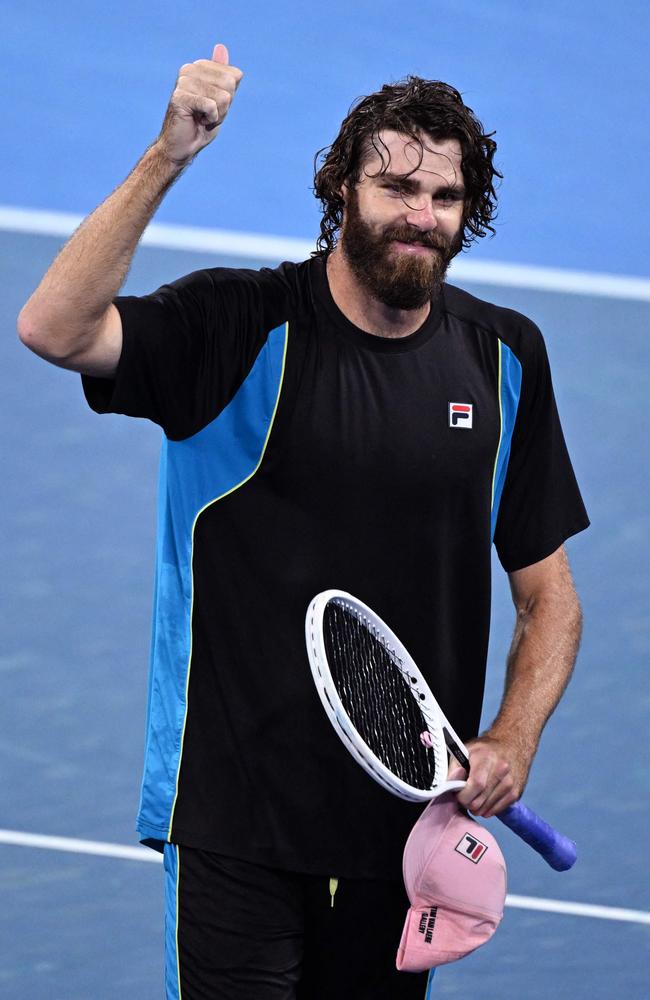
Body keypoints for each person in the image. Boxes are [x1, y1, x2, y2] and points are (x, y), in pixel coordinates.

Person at [18, 42, 589, 1000]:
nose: (420, 216)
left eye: (444, 199)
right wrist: (170, 155)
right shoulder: (237, 327)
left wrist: (514, 739)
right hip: (235, 820)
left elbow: (551, 599)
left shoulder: (504, 362)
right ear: (341, 189)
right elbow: (54, 328)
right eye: (395, 187)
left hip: (403, 837)